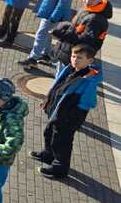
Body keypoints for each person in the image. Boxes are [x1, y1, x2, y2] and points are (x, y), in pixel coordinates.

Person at [31, 45, 102, 179]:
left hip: (67, 119)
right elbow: (57, 87)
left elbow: (88, 103)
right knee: (49, 133)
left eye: (80, 58)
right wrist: (47, 100)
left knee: (61, 143)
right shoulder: (69, 69)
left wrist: (70, 117)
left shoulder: (88, 81)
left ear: (90, 60)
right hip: (56, 113)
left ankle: (60, 168)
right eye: (73, 56)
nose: (75, 60)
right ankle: (48, 154)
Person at [49, 0, 112, 76]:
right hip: (69, 53)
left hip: (75, 58)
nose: (87, 2)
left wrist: (61, 34)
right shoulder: (89, 9)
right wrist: (67, 26)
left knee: (63, 80)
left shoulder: (95, 19)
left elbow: (85, 40)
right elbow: (78, 28)